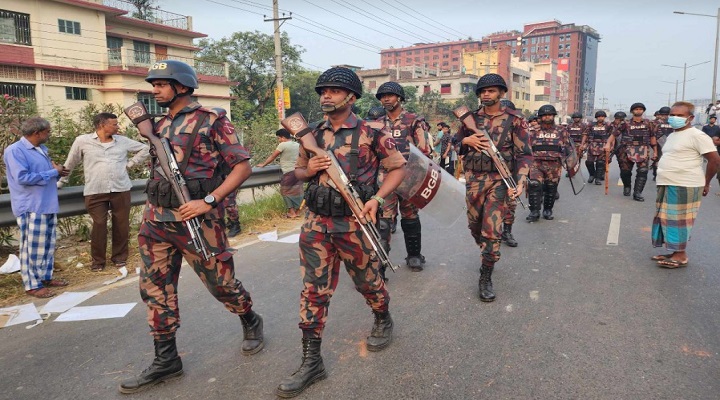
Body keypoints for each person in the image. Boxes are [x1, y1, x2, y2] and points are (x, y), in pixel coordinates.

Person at [119, 60, 264, 394]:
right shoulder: (154, 125)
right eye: (152, 84)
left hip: (198, 220)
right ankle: (166, 358)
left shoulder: (211, 120)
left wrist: (209, 201)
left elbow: (242, 167)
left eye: (161, 84)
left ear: (181, 86)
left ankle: (249, 318)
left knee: (221, 284)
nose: (154, 90)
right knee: (155, 289)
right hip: (157, 219)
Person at [276, 67, 406, 398]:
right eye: (323, 91)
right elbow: (298, 172)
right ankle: (311, 361)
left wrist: (377, 199)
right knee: (313, 291)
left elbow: (397, 168)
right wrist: (310, 169)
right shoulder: (311, 133)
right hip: (317, 223)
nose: (325, 96)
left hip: (355, 221)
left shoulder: (371, 132)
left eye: (333, 91)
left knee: (367, 282)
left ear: (350, 97)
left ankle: (382, 316)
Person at [456, 73, 532, 302]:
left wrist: (520, 182)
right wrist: (464, 142)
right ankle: (488, 250)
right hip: (474, 181)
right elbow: (455, 143)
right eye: (482, 91)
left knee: (492, 231)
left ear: (501, 93)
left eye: (491, 90)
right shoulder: (469, 119)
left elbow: (524, 155)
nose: (486, 94)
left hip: (500, 181)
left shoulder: (515, 120)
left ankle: (486, 273)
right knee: (475, 226)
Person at [59, 113, 150, 272]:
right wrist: (61, 182)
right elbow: (71, 162)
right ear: (102, 125)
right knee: (99, 224)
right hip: (95, 190)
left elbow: (146, 148)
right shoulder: (82, 141)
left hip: (120, 188)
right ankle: (98, 262)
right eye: (114, 124)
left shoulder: (122, 141)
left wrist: (131, 164)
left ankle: (119, 258)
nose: (117, 127)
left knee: (121, 225)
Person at [3, 117, 70, 298]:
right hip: (30, 205)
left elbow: (43, 176)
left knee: (47, 245)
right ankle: (32, 284)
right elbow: (22, 178)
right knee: (31, 247)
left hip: (47, 203)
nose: (49, 134)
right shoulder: (15, 151)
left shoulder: (41, 149)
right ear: (36, 133)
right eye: (47, 131)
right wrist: (52, 172)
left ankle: (45, 276)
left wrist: (57, 173)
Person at [651, 102, 720, 268]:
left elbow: (714, 159)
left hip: (685, 184)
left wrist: (706, 182)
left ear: (690, 118)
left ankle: (681, 255)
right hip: (668, 182)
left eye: (680, 115)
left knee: (679, 220)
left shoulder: (697, 135)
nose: (674, 118)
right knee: (668, 219)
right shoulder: (673, 135)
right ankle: (674, 251)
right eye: (672, 114)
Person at [374, 81, 430, 272]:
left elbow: (424, 149)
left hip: (409, 177)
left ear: (399, 97)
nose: (385, 99)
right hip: (385, 178)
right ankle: (381, 262)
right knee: (384, 220)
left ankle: (414, 255)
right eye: (382, 96)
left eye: (389, 95)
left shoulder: (414, 120)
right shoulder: (376, 123)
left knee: (410, 217)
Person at [605, 103, 658, 201]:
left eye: (640, 109)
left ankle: (637, 193)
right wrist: (608, 143)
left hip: (643, 149)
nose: (638, 111)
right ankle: (627, 186)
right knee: (625, 171)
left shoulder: (649, 123)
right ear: (632, 111)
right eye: (636, 109)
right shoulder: (625, 123)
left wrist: (655, 151)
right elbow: (614, 134)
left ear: (643, 111)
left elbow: (652, 137)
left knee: (643, 171)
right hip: (626, 149)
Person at [526, 105, 569, 222]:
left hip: (554, 164)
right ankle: (534, 211)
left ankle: (547, 210)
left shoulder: (561, 130)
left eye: (549, 114)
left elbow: (568, 147)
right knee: (534, 185)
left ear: (554, 116)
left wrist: (568, 161)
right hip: (536, 163)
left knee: (551, 188)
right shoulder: (532, 131)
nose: (547, 117)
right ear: (540, 117)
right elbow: (526, 147)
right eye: (544, 115)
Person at [256, 129, 303, 218]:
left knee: (284, 191)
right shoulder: (297, 144)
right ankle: (298, 211)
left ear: (283, 137)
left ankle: (291, 212)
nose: (279, 140)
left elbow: (273, 156)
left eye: (279, 138)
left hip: (289, 172)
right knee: (297, 191)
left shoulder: (282, 145)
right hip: (298, 171)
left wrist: (264, 164)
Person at [499, 99, 520, 247]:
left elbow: (525, 154)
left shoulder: (518, 128)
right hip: (488, 174)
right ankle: (492, 232)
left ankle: (506, 231)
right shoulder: (485, 127)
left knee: (510, 204)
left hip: (510, 173)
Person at [584, 111, 613, 185]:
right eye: (599, 116)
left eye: (602, 116)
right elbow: (585, 134)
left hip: (603, 146)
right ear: (596, 117)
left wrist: (611, 146)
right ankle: (592, 174)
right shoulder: (591, 125)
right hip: (592, 146)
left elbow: (612, 136)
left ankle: (598, 178)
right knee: (589, 162)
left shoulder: (608, 125)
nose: (601, 118)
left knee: (600, 163)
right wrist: (582, 144)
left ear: (604, 117)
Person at [652, 107, 673, 181]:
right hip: (658, 143)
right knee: (658, 159)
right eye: (663, 115)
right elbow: (652, 135)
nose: (665, 116)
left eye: (667, 115)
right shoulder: (655, 123)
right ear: (660, 115)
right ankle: (656, 174)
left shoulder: (673, 122)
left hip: (671, 143)